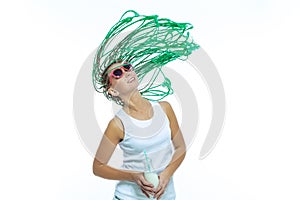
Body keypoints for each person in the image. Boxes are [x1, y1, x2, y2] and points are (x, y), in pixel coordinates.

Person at [92, 60, 186, 200]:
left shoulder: (165, 109)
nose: (126, 72)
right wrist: (132, 176)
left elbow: (180, 147)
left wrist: (167, 173)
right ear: (113, 91)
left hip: (166, 196)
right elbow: (98, 167)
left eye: (127, 67)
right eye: (118, 73)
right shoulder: (118, 125)